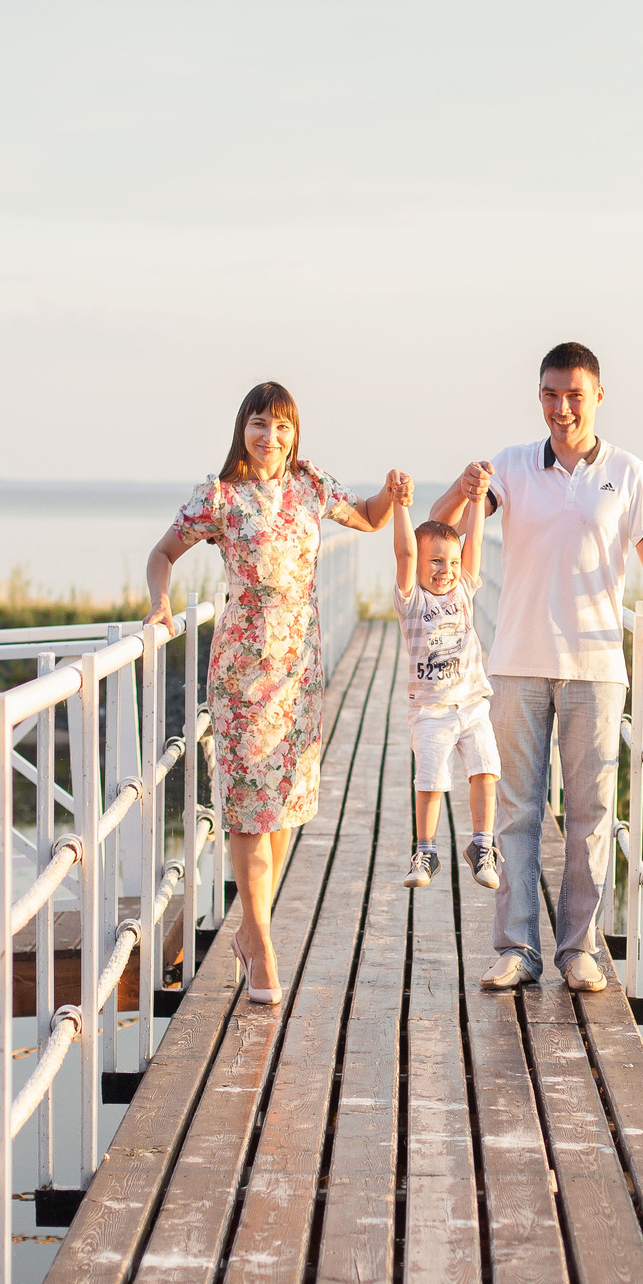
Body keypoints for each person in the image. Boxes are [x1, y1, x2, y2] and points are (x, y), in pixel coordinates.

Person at [144, 381, 405, 1005]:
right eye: (260, 423)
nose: (271, 437)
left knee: (284, 804)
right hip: (241, 671)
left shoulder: (310, 487)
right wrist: (159, 605)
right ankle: (259, 941)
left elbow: (368, 519)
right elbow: (162, 553)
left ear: (295, 434)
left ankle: (249, 927)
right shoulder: (220, 497)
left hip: (299, 671)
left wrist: (394, 496)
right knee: (246, 809)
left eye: (282, 426)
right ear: (244, 429)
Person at [434, 342, 643, 993]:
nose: (561, 406)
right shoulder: (512, 465)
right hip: (517, 662)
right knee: (515, 812)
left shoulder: (628, 472)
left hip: (597, 667)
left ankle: (579, 949)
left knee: (591, 812)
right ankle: (517, 947)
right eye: (550, 393)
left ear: (597, 395)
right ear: (538, 396)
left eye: (574, 394)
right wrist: (463, 488)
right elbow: (442, 527)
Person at [385, 471, 503, 893]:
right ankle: (426, 851)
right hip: (431, 709)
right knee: (431, 779)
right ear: (419, 564)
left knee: (486, 768)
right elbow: (402, 553)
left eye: (451, 563)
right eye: (435, 561)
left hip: (472, 703)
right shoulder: (411, 601)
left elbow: (472, 546)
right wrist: (400, 504)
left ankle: (482, 846)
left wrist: (477, 498)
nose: (446, 571)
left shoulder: (464, 591)